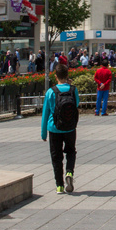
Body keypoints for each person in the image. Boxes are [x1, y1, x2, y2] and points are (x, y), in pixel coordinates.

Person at [41, 64, 80, 194]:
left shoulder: (51, 92)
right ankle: (69, 171)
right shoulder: (73, 90)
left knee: (56, 157)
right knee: (71, 151)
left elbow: (45, 113)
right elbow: (77, 103)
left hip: (54, 128)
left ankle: (59, 186)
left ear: (55, 76)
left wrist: (43, 133)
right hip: (70, 128)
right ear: (67, 75)